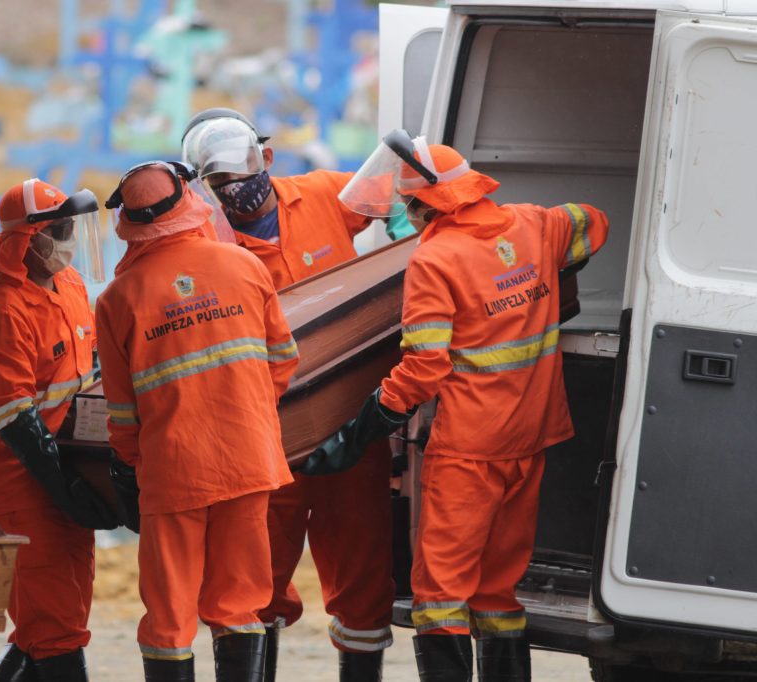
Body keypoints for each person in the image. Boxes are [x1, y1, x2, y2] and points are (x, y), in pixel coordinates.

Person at [304, 132, 611, 682]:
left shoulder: (437, 259)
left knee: (440, 596)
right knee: (497, 589)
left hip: (469, 448)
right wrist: (561, 267)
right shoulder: (537, 224)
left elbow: (424, 367)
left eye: (411, 206)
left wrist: (363, 429)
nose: (410, 217)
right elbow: (593, 219)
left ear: (429, 204)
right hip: (534, 434)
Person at [181, 108, 396, 681]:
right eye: (220, 183)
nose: (236, 189)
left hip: (351, 430)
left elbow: (400, 198)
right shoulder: (203, 245)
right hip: (261, 441)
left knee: (362, 570)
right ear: (205, 187)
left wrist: (409, 239)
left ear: (267, 160)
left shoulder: (326, 195)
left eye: (242, 173)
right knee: (253, 579)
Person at [95, 161, 300, 682]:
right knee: (240, 604)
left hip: (172, 469)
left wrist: (133, 465)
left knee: (168, 615)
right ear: (187, 202)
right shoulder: (245, 265)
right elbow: (284, 359)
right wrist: (247, 410)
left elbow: (120, 410)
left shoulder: (118, 299)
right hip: (249, 459)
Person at [0, 178, 117, 682]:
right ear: (28, 240)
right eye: (62, 229)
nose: (71, 239)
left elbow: (89, 369)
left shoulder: (68, 284)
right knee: (53, 625)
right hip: (19, 480)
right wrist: (65, 487)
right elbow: (15, 419)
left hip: (61, 467)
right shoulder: (4, 313)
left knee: (56, 616)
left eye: (73, 226)